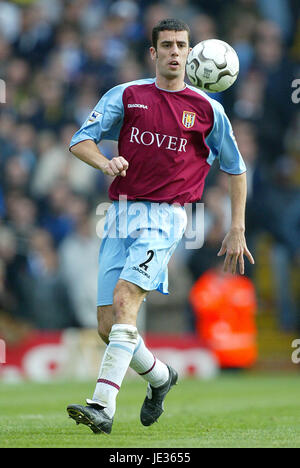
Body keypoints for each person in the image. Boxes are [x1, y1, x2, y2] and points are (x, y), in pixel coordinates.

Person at [66, 18, 254, 434]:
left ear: (191, 53)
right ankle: (160, 378)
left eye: (181, 45)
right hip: (118, 215)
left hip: (167, 217)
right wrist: (105, 162)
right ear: (153, 53)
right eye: (166, 44)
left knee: (125, 297)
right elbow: (81, 139)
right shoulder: (128, 95)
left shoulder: (208, 110)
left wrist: (237, 226)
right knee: (106, 324)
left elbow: (236, 169)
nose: (173, 51)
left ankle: (102, 405)